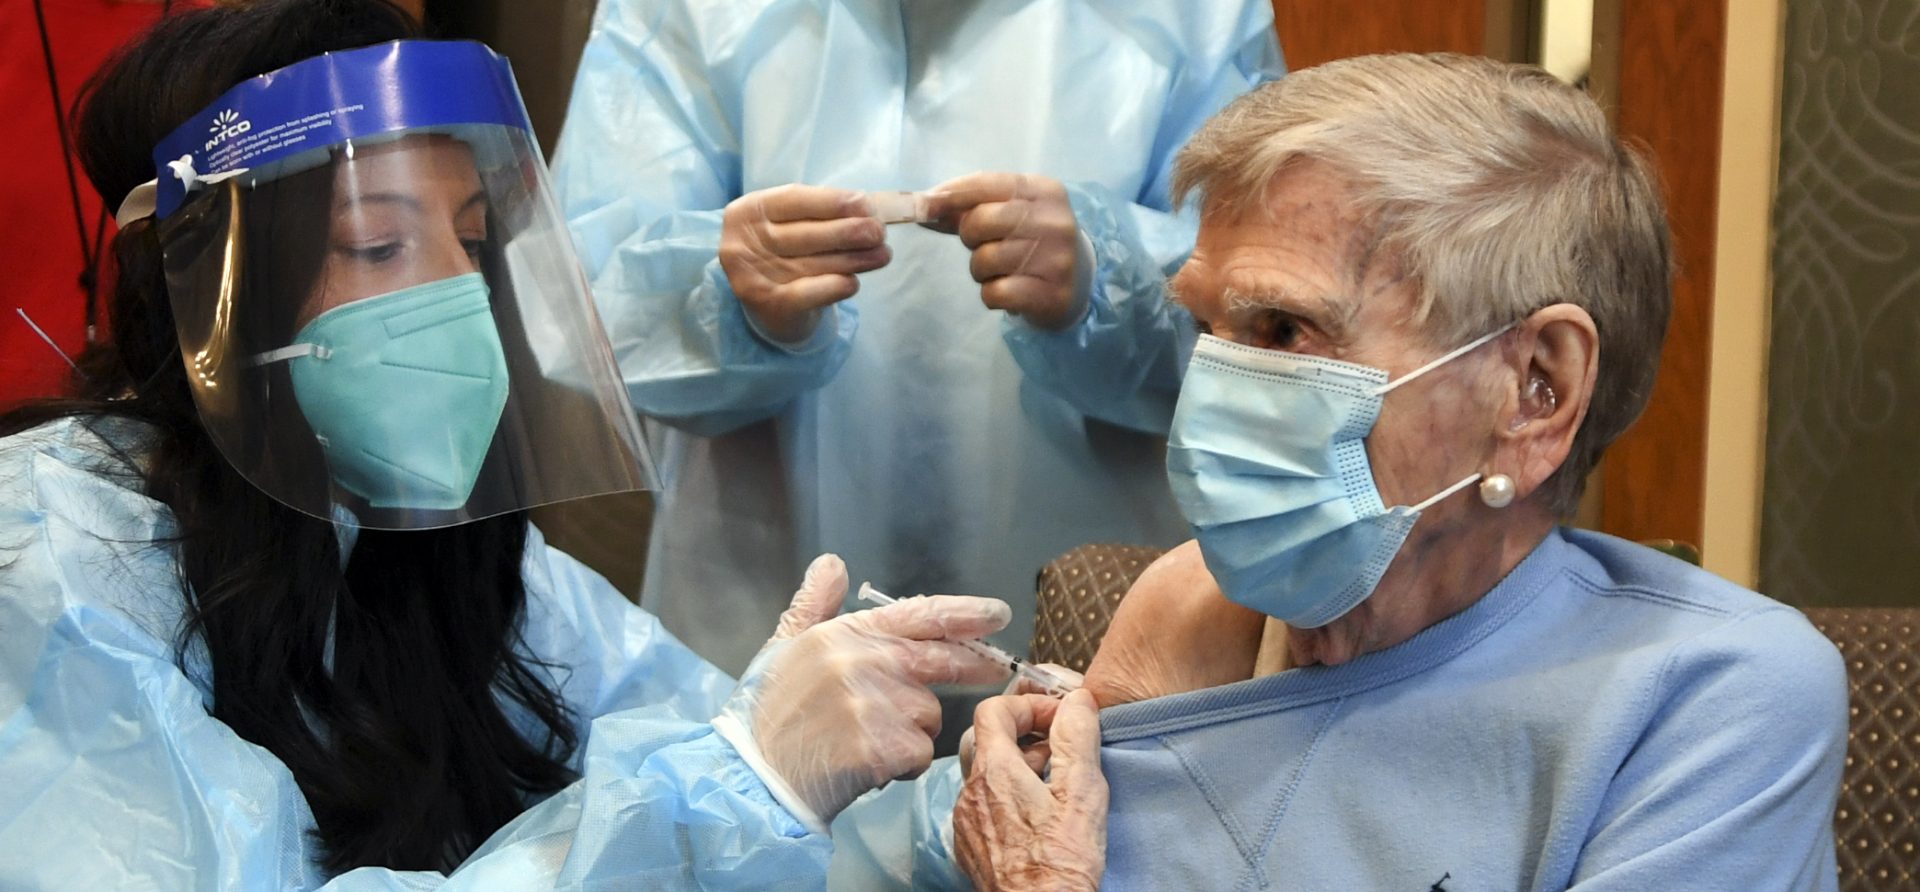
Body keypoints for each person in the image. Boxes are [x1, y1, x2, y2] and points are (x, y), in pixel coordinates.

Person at [0, 2, 1018, 886]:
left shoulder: (402, 532)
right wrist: (745, 780)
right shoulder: (56, 569)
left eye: (474, 243)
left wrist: (961, 814)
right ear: (210, 294)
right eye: (379, 245)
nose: (459, 300)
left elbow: (678, 733)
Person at [954, 54, 1849, 891]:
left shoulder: (1714, 692)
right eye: (1206, 329)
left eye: (1281, 332)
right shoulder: (1184, 625)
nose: (1212, 391)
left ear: (1538, 391)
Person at [551, 0, 1287, 679]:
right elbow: (587, 297)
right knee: (776, 793)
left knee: (1063, 793)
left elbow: (1280, 319)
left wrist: (1114, 283)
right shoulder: (688, 12)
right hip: (766, 591)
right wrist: (731, 302)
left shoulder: (1198, 15)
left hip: (1091, 600)